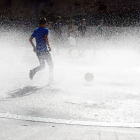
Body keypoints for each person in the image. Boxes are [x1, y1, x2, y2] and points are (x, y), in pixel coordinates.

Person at [29, 18, 54, 84]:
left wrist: (34, 47)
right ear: (45, 24)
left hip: (38, 51)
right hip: (44, 50)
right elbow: (46, 38)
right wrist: (49, 46)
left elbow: (30, 39)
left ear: (39, 24)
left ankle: (33, 71)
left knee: (42, 66)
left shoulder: (36, 30)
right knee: (51, 65)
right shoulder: (46, 29)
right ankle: (51, 80)